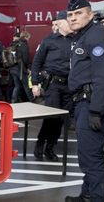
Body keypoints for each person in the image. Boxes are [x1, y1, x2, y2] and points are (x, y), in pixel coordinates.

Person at [64, 0, 104, 202]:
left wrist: (95, 110)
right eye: (70, 15)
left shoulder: (98, 36)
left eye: (78, 13)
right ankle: (87, 195)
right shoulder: (84, 36)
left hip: (92, 103)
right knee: (87, 153)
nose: (73, 18)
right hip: (83, 102)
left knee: (90, 157)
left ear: (90, 14)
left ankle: (97, 198)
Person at [31, 11, 74, 161]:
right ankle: (40, 143)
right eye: (69, 21)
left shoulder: (76, 39)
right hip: (53, 85)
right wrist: (35, 84)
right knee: (52, 117)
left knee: (62, 119)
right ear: (62, 23)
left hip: (69, 85)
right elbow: (36, 63)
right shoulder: (48, 41)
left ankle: (50, 148)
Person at [8, 31, 33, 103]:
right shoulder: (24, 45)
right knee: (26, 86)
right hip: (21, 69)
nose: (28, 39)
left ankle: (13, 101)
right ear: (25, 37)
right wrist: (27, 68)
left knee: (17, 86)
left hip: (13, 69)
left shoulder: (14, 43)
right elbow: (25, 59)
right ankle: (32, 100)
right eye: (28, 38)